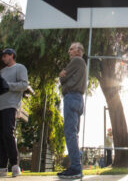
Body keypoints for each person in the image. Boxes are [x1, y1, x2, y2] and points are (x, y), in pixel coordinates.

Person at [0, 48, 28, 178]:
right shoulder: (2, 71)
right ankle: (2, 167)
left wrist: (8, 85)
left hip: (10, 105)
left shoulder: (20, 68)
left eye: (5, 56)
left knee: (8, 133)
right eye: (2, 56)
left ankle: (15, 165)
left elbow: (24, 84)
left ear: (12, 56)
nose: (3, 58)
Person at [56, 42, 87, 179]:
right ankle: (76, 165)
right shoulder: (81, 63)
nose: (69, 52)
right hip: (78, 99)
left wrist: (61, 76)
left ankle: (75, 167)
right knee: (74, 134)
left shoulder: (76, 61)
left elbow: (63, 78)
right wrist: (63, 76)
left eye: (71, 49)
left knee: (70, 132)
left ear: (79, 51)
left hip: (71, 97)